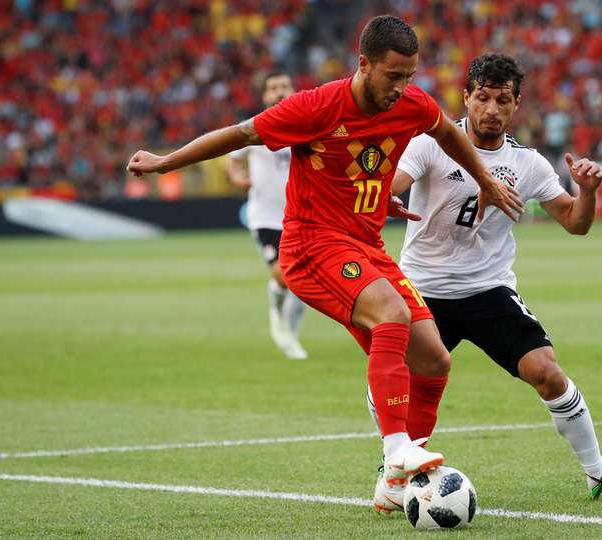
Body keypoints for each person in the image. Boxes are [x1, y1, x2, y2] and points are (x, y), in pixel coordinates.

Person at [126, 16, 523, 512]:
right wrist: (167, 162)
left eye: (409, 76)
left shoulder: (412, 104)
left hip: (366, 244)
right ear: (364, 64)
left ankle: (394, 487)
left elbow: (446, 133)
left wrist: (483, 179)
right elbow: (241, 134)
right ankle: (397, 450)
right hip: (311, 246)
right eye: (392, 76)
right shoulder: (315, 107)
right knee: (392, 317)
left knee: (433, 358)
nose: (402, 89)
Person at [374, 52, 602, 505]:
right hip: (422, 290)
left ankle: (599, 478)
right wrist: (383, 195)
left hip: (487, 290)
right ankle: (394, 472)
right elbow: (389, 187)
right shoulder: (430, 144)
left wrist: (588, 192)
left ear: (516, 105)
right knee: (405, 381)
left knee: (548, 373)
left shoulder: (528, 163)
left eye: (502, 100)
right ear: (467, 98)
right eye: (483, 98)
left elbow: (576, 223)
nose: (491, 109)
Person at [226, 72, 308, 360]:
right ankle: (278, 310)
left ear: (294, 90)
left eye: (285, 86)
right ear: (264, 96)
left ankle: (291, 335)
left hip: (303, 217)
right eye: (273, 88)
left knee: (306, 280)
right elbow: (233, 159)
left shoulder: (306, 127)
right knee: (285, 276)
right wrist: (238, 178)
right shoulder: (255, 129)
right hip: (266, 217)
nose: (280, 92)